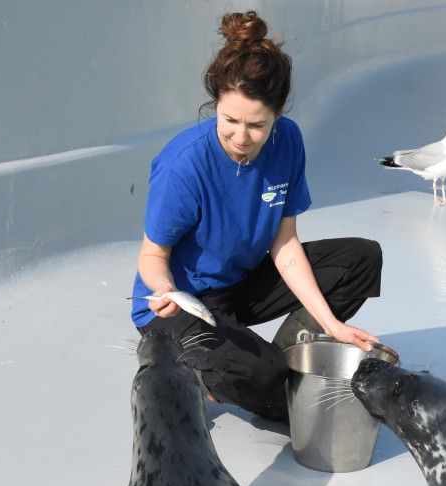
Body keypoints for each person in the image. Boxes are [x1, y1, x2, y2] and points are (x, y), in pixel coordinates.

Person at [130, 10, 382, 422]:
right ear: (215, 104)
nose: (240, 138)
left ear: (278, 113)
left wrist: (331, 324)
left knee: (361, 261)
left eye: (257, 126)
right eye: (229, 120)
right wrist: (164, 292)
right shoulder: (183, 165)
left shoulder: (290, 141)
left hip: (242, 283)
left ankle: (279, 358)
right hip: (184, 304)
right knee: (275, 388)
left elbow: (285, 245)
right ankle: (206, 368)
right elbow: (152, 256)